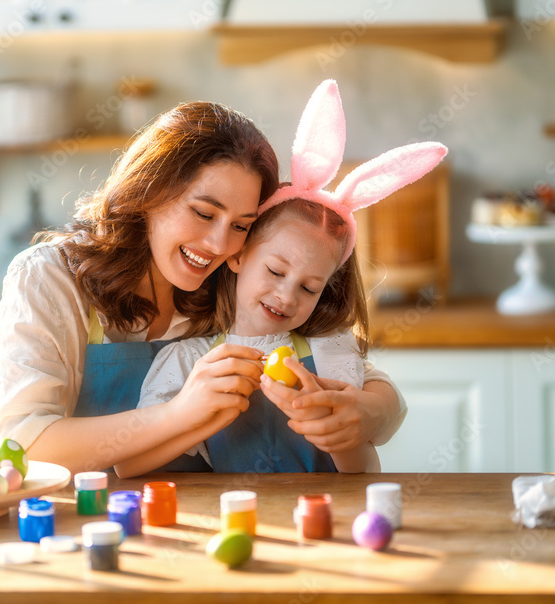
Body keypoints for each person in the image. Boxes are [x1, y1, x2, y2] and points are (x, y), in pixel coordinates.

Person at [0, 95, 409, 474]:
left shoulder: (232, 274)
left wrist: (371, 413)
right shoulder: (50, 278)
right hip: (85, 520)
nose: (219, 244)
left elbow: (361, 380)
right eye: (204, 213)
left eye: (241, 225)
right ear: (149, 190)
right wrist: (177, 415)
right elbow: (14, 447)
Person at [116, 80, 447, 477]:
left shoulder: (329, 353)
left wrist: (328, 426)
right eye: (275, 271)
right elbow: (128, 464)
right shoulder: (187, 359)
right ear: (237, 256)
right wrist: (193, 414)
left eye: (309, 287)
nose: (287, 296)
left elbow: (365, 472)